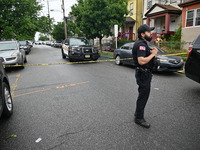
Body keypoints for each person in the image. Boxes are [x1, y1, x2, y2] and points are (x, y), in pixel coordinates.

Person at [132, 24, 158, 128]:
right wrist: (153, 54)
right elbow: (141, 61)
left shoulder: (143, 43)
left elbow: (143, 54)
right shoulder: (141, 44)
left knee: (142, 95)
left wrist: (150, 51)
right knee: (143, 96)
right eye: (148, 32)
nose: (150, 33)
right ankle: (139, 118)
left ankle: (137, 113)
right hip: (143, 74)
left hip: (143, 73)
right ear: (143, 34)